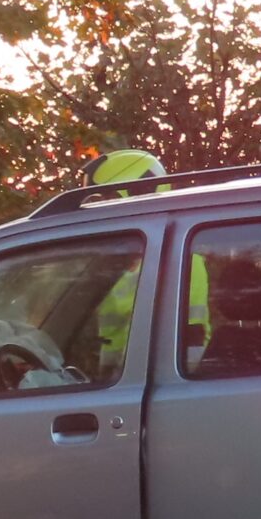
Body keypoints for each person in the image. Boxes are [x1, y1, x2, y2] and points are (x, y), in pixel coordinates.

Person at [83, 149, 211, 367]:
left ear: (134, 192)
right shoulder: (113, 260)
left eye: (105, 200)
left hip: (153, 380)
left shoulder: (180, 261)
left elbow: (185, 341)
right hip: (115, 378)